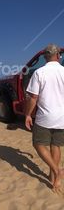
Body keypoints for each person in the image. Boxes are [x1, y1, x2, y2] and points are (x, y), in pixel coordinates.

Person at [25, 43, 64, 193]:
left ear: (45, 57)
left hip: (45, 116)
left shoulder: (39, 73)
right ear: (58, 55)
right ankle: (53, 176)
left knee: (38, 144)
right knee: (56, 146)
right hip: (62, 117)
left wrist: (28, 114)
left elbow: (33, 97)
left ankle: (56, 171)